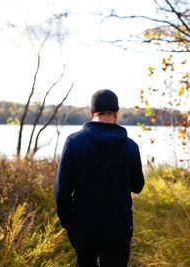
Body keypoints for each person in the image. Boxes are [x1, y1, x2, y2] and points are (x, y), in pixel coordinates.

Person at [55, 89, 145, 266]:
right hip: (119, 228)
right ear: (116, 114)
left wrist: (69, 225)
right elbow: (138, 186)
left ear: (92, 114)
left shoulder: (73, 142)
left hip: (84, 228)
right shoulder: (130, 147)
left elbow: (62, 192)